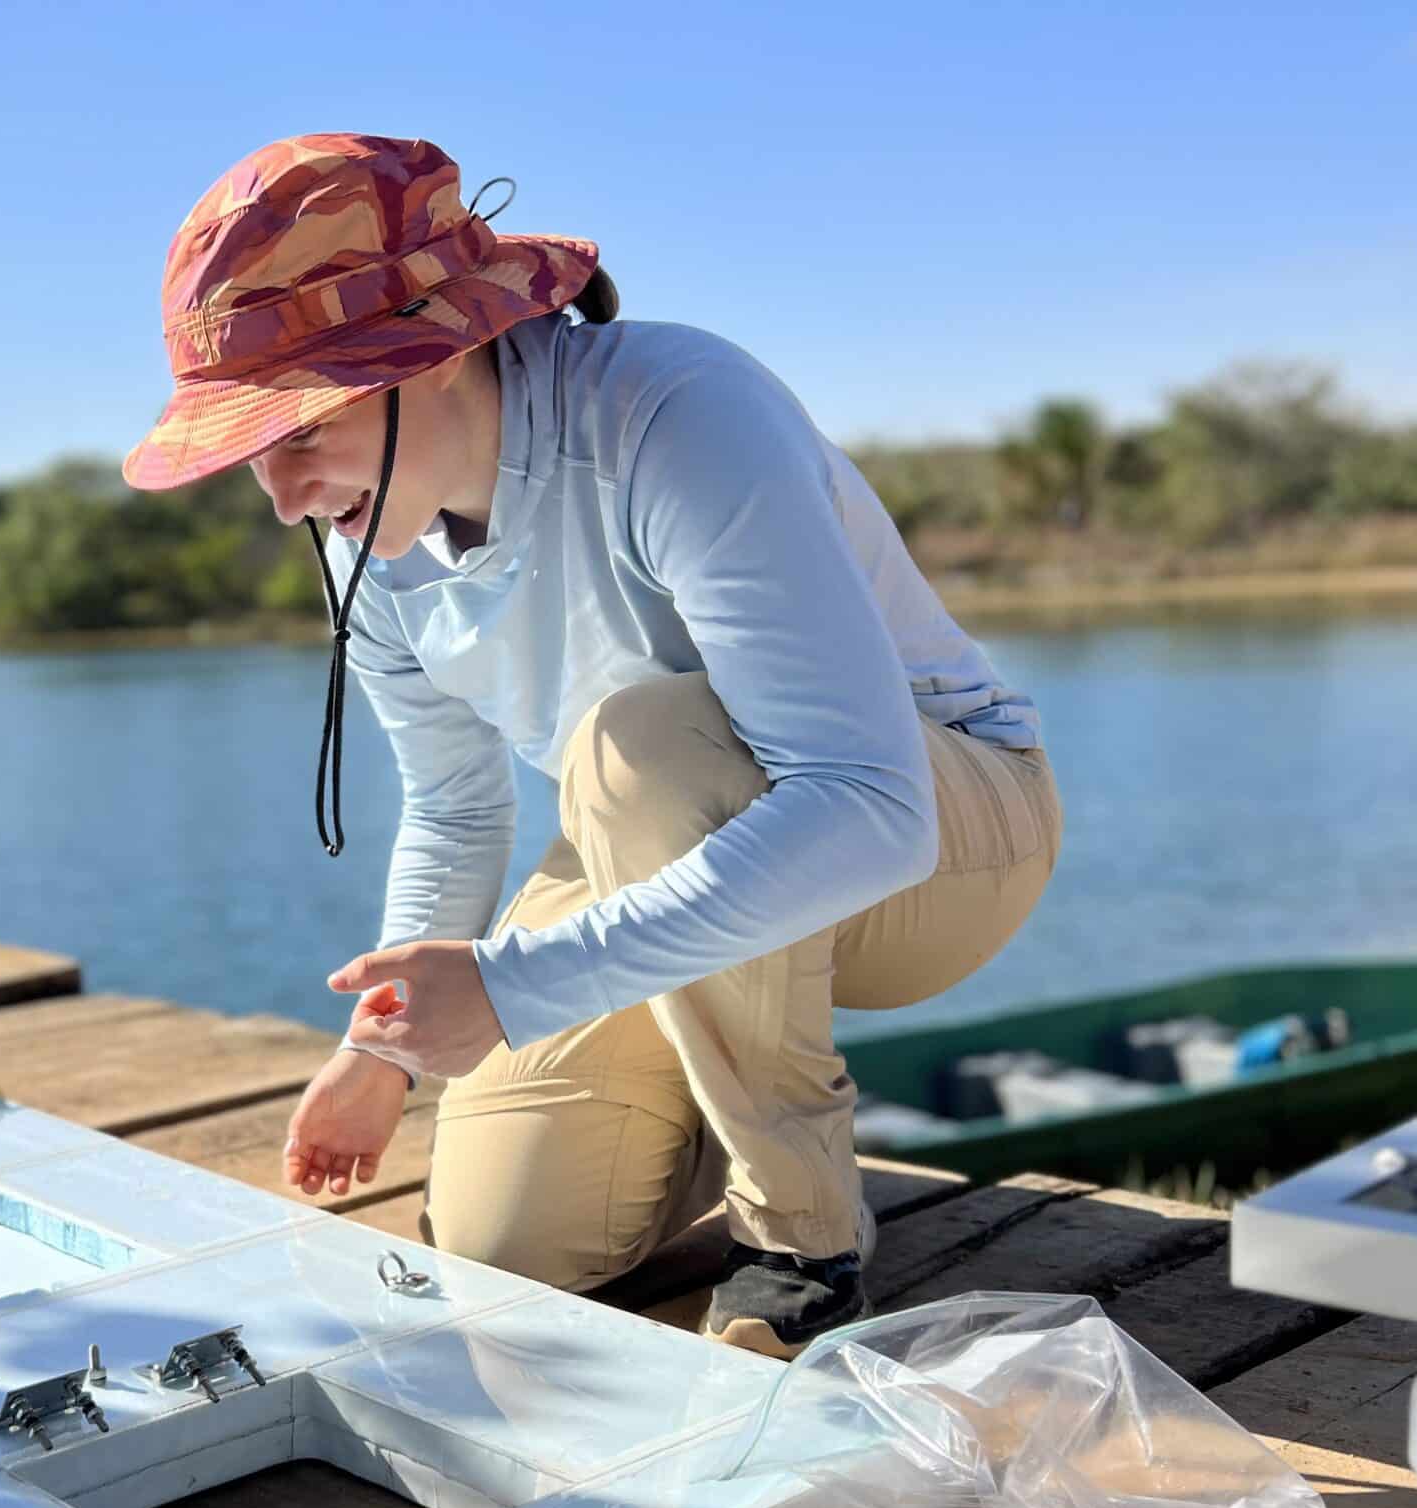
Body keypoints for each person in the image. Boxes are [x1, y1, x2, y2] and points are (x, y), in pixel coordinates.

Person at [123, 133, 1059, 1357]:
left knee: (635, 745)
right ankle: (703, 1101)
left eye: (299, 429)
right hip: (665, 824)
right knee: (502, 1242)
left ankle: (800, 1238)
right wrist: (381, 1050)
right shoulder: (371, 545)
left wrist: (520, 987)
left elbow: (867, 802)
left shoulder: (677, 412)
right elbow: (456, 813)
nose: (283, 493)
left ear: (437, 349)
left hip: (949, 829)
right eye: (255, 452)